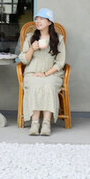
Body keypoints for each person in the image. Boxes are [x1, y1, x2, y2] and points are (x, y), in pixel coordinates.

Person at [19, 8, 65, 136]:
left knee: (48, 86)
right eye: (37, 19)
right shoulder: (30, 38)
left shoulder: (58, 39)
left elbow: (60, 63)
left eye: (41, 18)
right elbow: (24, 60)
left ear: (49, 22)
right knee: (35, 85)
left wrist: (45, 74)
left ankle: (46, 123)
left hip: (52, 73)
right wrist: (32, 49)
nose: (38, 21)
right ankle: (34, 124)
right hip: (32, 72)